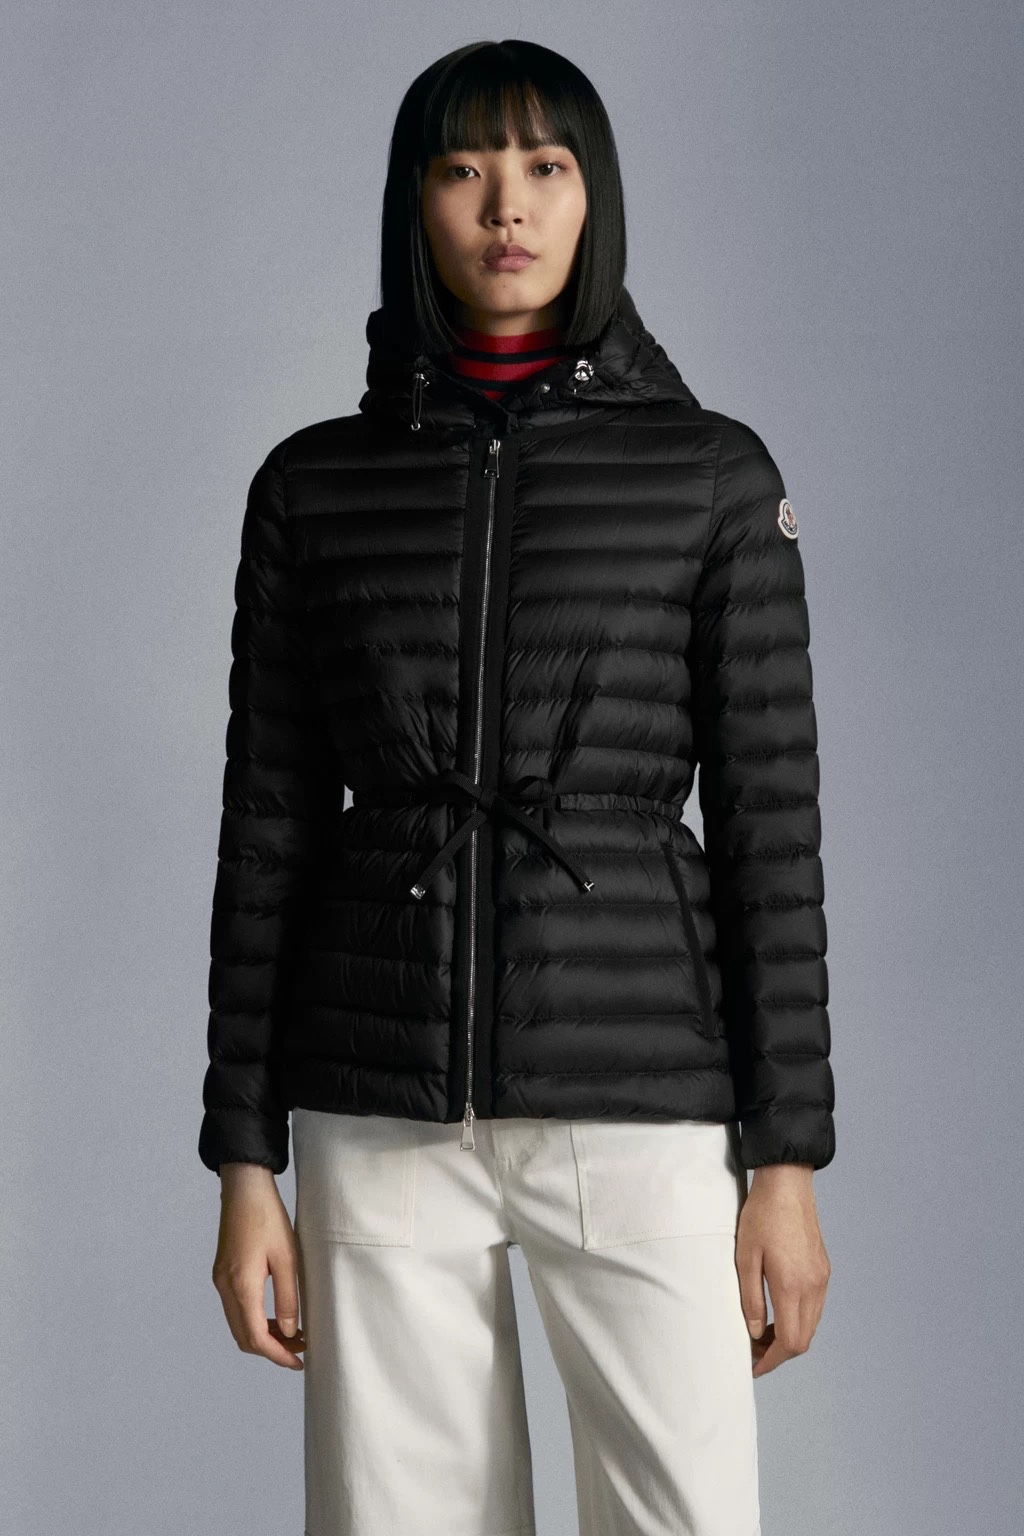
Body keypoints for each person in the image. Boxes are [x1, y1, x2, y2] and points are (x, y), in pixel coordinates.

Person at [200, 37, 835, 1536]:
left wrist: (787, 1161)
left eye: (546, 167)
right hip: (375, 1106)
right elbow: (267, 830)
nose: (508, 206)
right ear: (415, 203)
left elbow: (772, 834)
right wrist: (242, 1159)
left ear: (592, 196)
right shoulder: (312, 486)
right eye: (465, 168)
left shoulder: (713, 477)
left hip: (641, 1098)